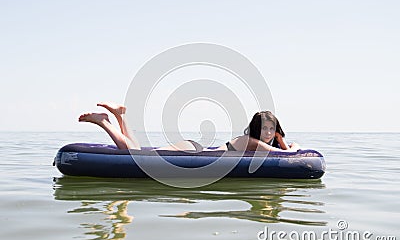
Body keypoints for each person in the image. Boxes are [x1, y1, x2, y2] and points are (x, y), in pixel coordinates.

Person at [79, 103, 300, 152]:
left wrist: (281, 140)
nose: (268, 133)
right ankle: (105, 122)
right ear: (255, 130)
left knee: (140, 153)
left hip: (196, 149)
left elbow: (290, 149)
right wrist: (282, 141)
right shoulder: (253, 142)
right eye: (264, 128)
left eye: (272, 129)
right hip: (193, 152)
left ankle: (120, 117)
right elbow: (290, 152)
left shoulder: (258, 145)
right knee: (134, 155)